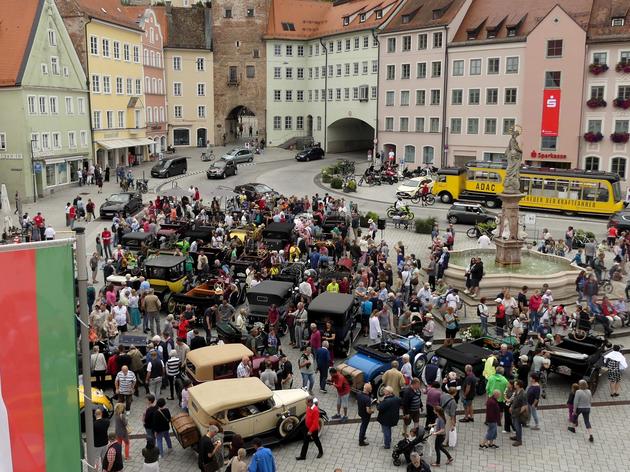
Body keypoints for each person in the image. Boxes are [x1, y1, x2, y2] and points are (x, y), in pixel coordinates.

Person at [509, 380, 528, 447]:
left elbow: (525, 406)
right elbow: (514, 400)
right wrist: (511, 407)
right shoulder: (517, 391)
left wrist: (519, 413)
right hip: (514, 411)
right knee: (515, 424)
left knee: (517, 426)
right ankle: (517, 436)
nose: (514, 384)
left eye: (515, 384)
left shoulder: (523, 394)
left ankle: (519, 441)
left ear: (518, 385)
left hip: (518, 413)